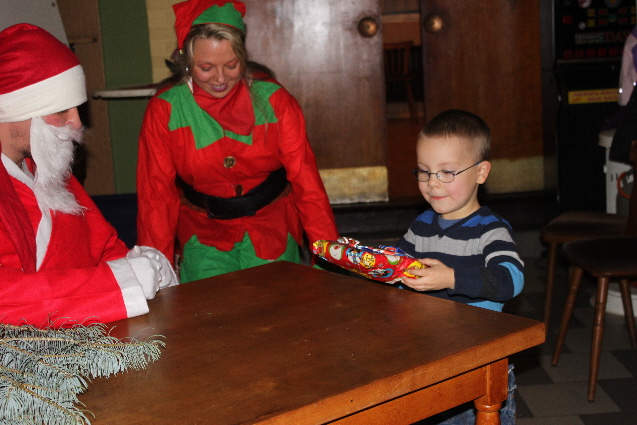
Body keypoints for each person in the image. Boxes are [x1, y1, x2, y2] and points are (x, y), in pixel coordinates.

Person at [136, 0, 339, 282]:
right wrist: (156, 271)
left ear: (243, 58)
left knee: (281, 301)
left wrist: (330, 258)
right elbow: (155, 197)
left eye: (231, 65)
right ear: (187, 61)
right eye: (206, 67)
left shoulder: (275, 101)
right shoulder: (165, 110)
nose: (220, 78)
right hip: (202, 234)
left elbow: (307, 184)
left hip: (272, 228)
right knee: (208, 305)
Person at [0, 24, 178, 326]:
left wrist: (138, 264)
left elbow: (102, 246)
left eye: (77, 109)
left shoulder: (47, 168)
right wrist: (118, 282)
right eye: (61, 110)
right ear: (14, 109)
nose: (76, 122)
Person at [397, 109, 524, 424]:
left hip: (477, 368)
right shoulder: (421, 225)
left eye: (447, 172)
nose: (432, 183)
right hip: (430, 360)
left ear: (481, 172)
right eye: (424, 171)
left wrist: (451, 278)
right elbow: (397, 269)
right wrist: (371, 265)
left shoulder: (490, 231)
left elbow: (511, 280)